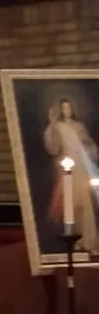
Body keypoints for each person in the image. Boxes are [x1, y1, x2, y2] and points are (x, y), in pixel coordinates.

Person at [45, 97, 99, 256]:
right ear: (60, 110)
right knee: (72, 206)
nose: (66, 111)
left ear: (72, 109)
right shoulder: (58, 127)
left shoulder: (78, 126)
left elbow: (90, 145)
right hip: (68, 170)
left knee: (86, 204)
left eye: (68, 108)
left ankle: (90, 241)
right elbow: (53, 149)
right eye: (63, 108)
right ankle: (78, 240)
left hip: (82, 169)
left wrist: (88, 152)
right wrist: (52, 124)